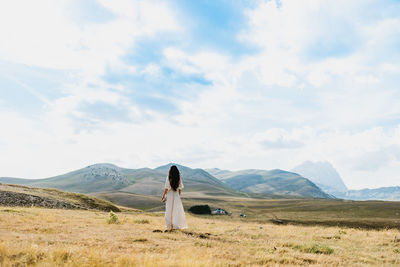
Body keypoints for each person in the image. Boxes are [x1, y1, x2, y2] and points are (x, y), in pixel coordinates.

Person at [161, 165, 188, 230]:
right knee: (176, 210)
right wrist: (178, 195)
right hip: (176, 195)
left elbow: (166, 188)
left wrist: (163, 195)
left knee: (169, 210)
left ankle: (169, 226)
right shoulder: (179, 178)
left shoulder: (168, 177)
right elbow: (180, 188)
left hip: (170, 195)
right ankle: (176, 226)